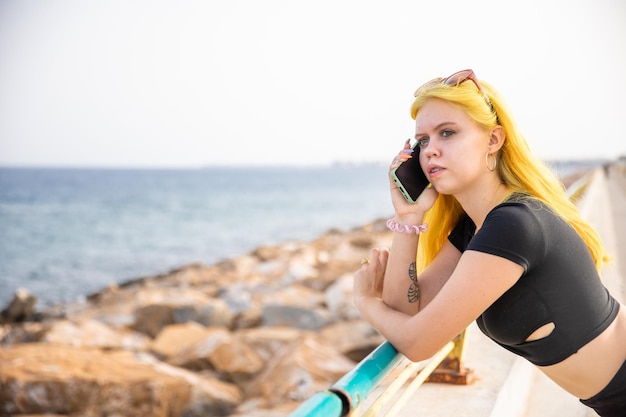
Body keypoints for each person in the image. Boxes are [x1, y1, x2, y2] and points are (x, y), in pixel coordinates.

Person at [353, 69, 626, 417]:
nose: (430, 150)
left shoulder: (513, 225)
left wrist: (363, 300)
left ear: (494, 140)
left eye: (447, 133)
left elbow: (418, 342)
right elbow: (409, 310)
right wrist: (408, 219)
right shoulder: (476, 228)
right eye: (421, 141)